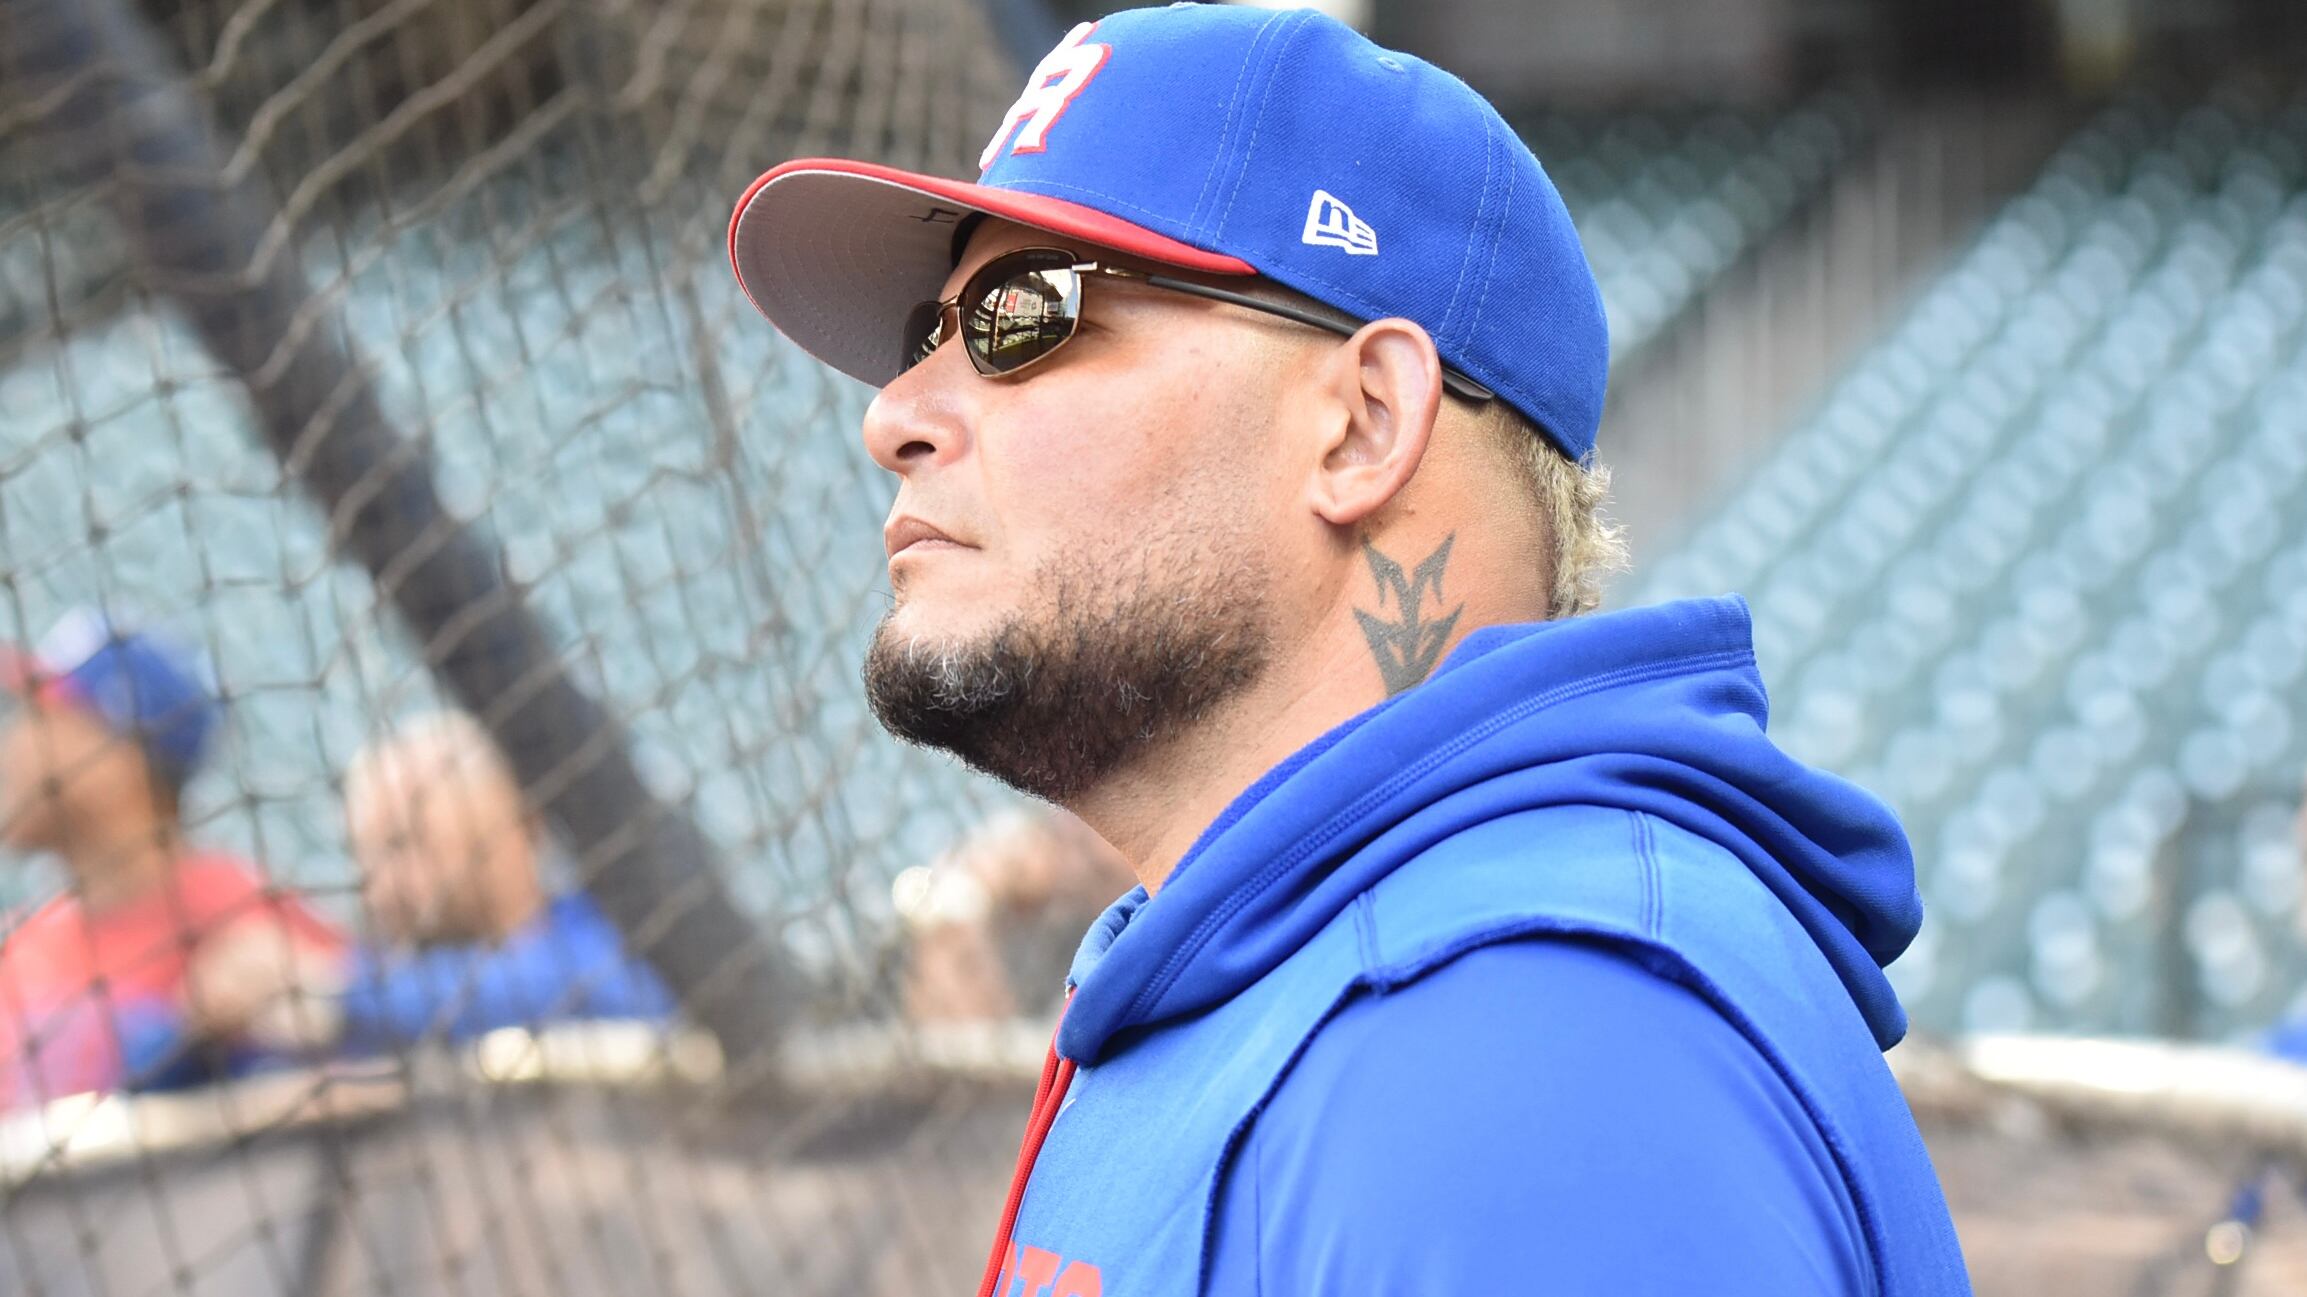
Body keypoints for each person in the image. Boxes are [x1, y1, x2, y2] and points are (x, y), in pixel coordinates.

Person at [725, 6, 1970, 1295]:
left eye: (1021, 315)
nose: (896, 414)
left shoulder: (1526, 1048)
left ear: (1364, 425)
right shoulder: (1309, 969)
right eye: (931, 337)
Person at [173, 710, 672, 1059]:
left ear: (523, 826)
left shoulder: (612, 943)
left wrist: (330, 998)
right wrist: (206, 1021)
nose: (383, 885)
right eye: (367, 856)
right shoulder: (376, 977)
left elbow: (582, 989)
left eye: (407, 845)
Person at [0, 608, 344, 1108]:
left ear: (124, 756)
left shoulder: (239, 913)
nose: (14, 742)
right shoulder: (22, 943)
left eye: (44, 716)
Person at [893, 808, 1135, 1023]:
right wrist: (969, 896)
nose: (1076, 867)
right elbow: (961, 1037)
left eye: (1085, 851)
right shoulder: (1048, 923)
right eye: (1067, 840)